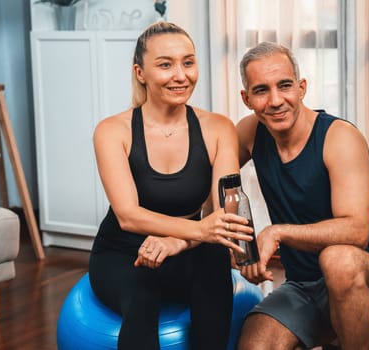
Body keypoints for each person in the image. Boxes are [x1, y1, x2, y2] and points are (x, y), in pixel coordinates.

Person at [88, 21, 254, 350]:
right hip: (125, 253)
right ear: (140, 72)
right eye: (166, 64)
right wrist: (196, 231)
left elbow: (223, 215)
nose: (181, 75)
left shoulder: (218, 128)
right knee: (141, 295)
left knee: (213, 266)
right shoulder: (112, 131)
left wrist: (178, 241)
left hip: (191, 250)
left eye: (188, 62)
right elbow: (128, 216)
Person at [235, 42, 369, 350]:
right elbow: (214, 183)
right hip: (303, 286)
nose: (275, 100)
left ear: (301, 87)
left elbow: (356, 231)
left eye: (284, 86)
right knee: (255, 344)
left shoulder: (339, 137)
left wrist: (278, 232)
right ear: (247, 99)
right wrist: (241, 249)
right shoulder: (250, 133)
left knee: (338, 260)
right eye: (261, 91)